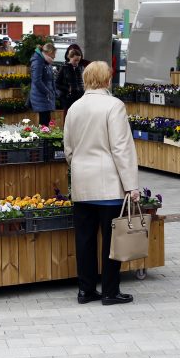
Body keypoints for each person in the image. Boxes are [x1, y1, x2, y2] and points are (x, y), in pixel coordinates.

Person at [63, 61, 141, 306]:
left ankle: (85, 290)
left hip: (82, 183)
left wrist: (77, 167)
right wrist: (131, 184)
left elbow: (68, 148)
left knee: (84, 240)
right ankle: (110, 290)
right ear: (107, 79)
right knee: (112, 240)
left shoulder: (74, 107)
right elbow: (121, 148)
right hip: (108, 183)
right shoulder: (114, 106)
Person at [29, 42, 56, 126]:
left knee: (46, 120)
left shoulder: (45, 62)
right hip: (41, 96)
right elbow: (37, 80)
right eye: (53, 55)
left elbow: (50, 79)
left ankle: (44, 137)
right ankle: (42, 138)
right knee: (44, 121)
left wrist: (54, 91)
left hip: (45, 96)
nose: (54, 57)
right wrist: (47, 92)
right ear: (48, 53)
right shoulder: (38, 61)